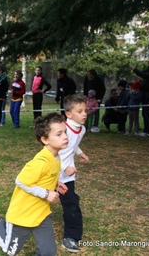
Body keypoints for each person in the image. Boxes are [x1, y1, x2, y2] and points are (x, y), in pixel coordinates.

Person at [0, 112, 68, 256]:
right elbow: (20, 181)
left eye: (65, 132)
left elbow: (44, 176)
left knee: (48, 252)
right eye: (59, 134)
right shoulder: (40, 162)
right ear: (45, 140)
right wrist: (45, 193)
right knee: (10, 251)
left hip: (41, 214)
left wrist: (56, 183)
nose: (65, 136)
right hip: (22, 215)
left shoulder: (56, 157)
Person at [58, 94, 89, 253]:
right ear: (69, 114)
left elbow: (73, 145)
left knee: (71, 204)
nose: (84, 114)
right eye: (79, 111)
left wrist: (80, 152)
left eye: (85, 110)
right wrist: (64, 167)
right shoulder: (61, 130)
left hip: (66, 177)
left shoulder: (81, 128)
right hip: (50, 173)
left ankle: (71, 237)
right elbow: (52, 153)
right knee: (34, 200)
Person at [131, 57, 149, 137]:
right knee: (144, 112)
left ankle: (148, 131)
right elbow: (142, 73)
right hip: (144, 91)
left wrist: (135, 69)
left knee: (146, 112)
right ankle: (146, 130)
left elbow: (145, 75)